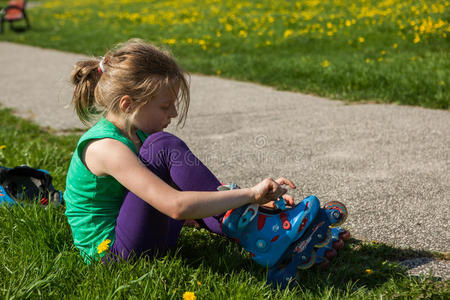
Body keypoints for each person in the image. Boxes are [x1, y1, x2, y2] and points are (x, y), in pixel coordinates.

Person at [64, 39, 296, 264]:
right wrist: (250, 195)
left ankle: (259, 222)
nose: (173, 113)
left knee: (161, 147)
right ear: (128, 105)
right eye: (165, 106)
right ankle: (256, 229)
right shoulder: (106, 148)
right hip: (112, 256)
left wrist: (256, 202)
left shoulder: (139, 133)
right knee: (162, 145)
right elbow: (176, 206)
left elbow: (191, 189)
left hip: (142, 238)